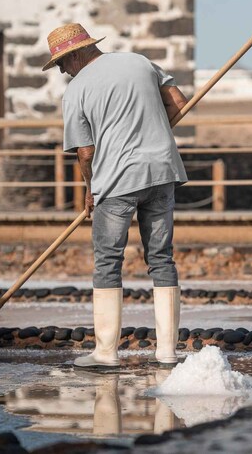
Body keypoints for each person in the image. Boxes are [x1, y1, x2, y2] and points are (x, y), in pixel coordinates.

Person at [43, 23, 189, 369]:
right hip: (162, 172)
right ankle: (167, 352)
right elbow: (179, 102)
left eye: (61, 63)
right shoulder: (140, 62)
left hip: (117, 182)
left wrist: (90, 188)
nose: (62, 71)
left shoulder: (76, 90)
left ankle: (106, 353)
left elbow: (85, 151)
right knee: (161, 259)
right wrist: (152, 134)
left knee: (108, 261)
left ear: (75, 54)